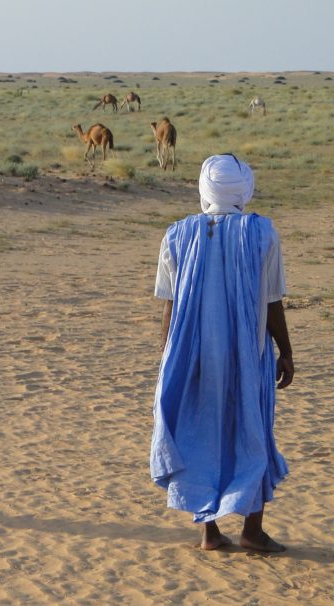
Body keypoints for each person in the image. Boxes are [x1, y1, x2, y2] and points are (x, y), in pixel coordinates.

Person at [150, 154, 294, 552]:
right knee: (253, 428)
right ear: (242, 189)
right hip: (249, 351)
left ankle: (209, 532)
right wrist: (286, 351)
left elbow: (170, 305)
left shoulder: (177, 235)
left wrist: (166, 357)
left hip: (194, 353)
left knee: (201, 428)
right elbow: (271, 301)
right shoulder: (262, 233)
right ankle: (252, 530)